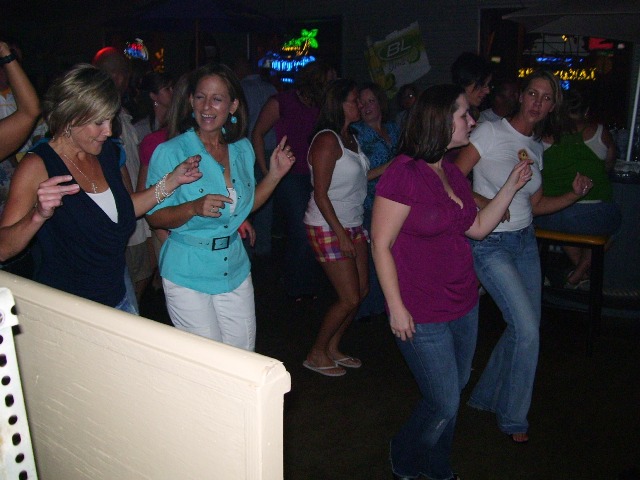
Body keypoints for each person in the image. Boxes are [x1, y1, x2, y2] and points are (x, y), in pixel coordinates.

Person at [372, 84, 533, 480]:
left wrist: (511, 186)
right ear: (441, 120)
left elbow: (477, 228)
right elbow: (380, 243)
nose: (472, 121)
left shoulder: (451, 173)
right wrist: (395, 307)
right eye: (464, 115)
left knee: (453, 392)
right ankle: (405, 452)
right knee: (443, 400)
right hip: (420, 309)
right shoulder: (403, 173)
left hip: (463, 301)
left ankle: (437, 462)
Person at [454, 69, 594, 444]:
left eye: (546, 98)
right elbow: (451, 176)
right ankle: (514, 417)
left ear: (552, 107)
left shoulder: (535, 148)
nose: (537, 102)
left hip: (525, 242)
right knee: (527, 330)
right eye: (533, 93)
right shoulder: (489, 131)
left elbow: (535, 204)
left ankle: (486, 396)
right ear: (521, 96)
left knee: (525, 327)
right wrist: (485, 203)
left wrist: (574, 195)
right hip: (491, 244)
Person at [0, 64, 201, 312]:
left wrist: (172, 181)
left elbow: (123, 209)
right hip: (70, 306)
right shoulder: (38, 165)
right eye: (99, 122)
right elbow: (3, 249)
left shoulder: (106, 151)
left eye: (110, 119)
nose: (108, 131)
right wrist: (38, 215)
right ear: (70, 117)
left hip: (117, 291)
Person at [145, 63, 294, 351]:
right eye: (200, 97)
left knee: (242, 354)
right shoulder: (171, 152)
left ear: (233, 105)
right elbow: (154, 217)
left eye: (217, 99)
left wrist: (275, 175)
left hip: (234, 267)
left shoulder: (242, 148)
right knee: (208, 360)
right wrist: (193, 207)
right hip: (188, 271)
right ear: (191, 101)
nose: (207, 107)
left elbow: (245, 207)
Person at [252, 60, 335, 301]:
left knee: (315, 228)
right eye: (328, 80)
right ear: (316, 80)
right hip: (290, 175)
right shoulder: (282, 101)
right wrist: (268, 171)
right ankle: (293, 283)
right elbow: (257, 133)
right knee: (301, 230)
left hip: (316, 173)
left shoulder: (322, 105)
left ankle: (307, 282)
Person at [303, 79, 370, 377]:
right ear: (338, 104)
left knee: (362, 291)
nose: (360, 105)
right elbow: (320, 193)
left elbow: (358, 180)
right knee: (349, 297)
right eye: (354, 100)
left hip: (353, 222)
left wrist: (393, 166)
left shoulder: (350, 137)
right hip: (327, 225)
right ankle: (316, 352)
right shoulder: (327, 140)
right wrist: (341, 234)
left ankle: (332, 347)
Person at [535, 89, 621, 287]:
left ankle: (579, 274)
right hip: (592, 215)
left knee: (566, 225)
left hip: (551, 216)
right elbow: (609, 164)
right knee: (614, 223)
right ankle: (580, 272)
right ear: (586, 111)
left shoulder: (543, 136)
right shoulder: (599, 132)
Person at [93, 47, 151, 306]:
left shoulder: (122, 115)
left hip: (132, 210)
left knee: (141, 274)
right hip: (121, 220)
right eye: (125, 75)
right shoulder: (102, 125)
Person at [351, 82, 400, 322]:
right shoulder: (356, 134)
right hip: (371, 202)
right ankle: (370, 309)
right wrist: (387, 167)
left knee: (395, 252)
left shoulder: (393, 128)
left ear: (380, 102)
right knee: (374, 255)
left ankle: (389, 303)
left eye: (371, 100)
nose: (367, 106)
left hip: (397, 200)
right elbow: (355, 177)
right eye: (362, 102)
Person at [242, 60, 278, 257]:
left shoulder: (242, 89)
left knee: (249, 198)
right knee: (262, 201)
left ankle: (251, 247)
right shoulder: (270, 88)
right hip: (267, 148)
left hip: (249, 148)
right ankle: (262, 247)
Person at [133, 71, 174, 143]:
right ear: (153, 96)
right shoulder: (140, 128)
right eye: (167, 89)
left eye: (172, 88)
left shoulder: (175, 122)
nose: (172, 92)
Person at [451, 52, 492, 121]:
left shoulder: (475, 114)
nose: (487, 91)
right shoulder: (447, 113)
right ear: (465, 82)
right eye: (482, 85)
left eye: (487, 85)